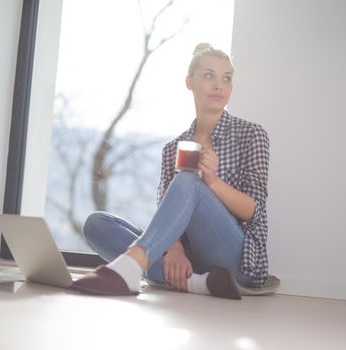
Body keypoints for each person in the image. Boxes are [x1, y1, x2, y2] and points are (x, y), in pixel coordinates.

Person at [72, 43, 270, 300]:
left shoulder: (252, 135)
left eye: (227, 78)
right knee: (96, 224)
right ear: (189, 82)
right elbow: (167, 210)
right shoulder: (172, 149)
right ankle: (197, 283)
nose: (219, 85)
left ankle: (133, 267)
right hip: (189, 261)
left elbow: (253, 210)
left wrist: (212, 181)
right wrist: (174, 249)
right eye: (209, 75)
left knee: (188, 180)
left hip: (237, 259)